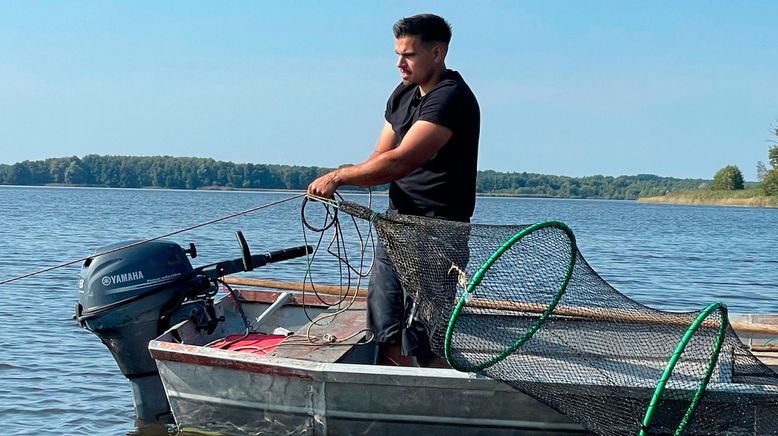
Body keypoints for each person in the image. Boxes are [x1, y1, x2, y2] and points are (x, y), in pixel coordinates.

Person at [307, 13, 480, 366]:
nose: (399, 63)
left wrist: (340, 176)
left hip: (437, 232)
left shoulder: (450, 98)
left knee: (428, 335)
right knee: (385, 326)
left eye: (409, 55)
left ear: (437, 52)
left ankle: (440, 399)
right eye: (397, 54)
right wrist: (352, 175)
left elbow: (402, 161)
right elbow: (379, 156)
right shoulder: (403, 94)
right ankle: (395, 397)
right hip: (396, 225)